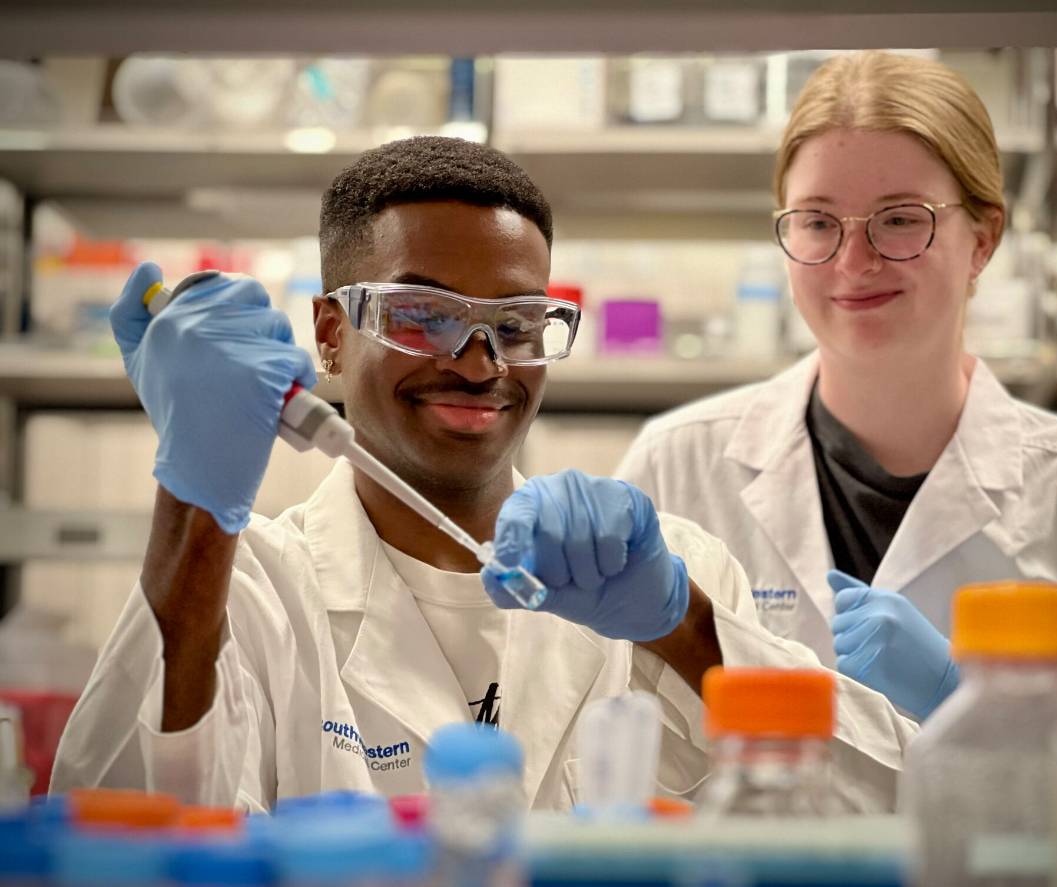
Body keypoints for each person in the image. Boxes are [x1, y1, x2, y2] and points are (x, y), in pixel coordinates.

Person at [50, 136, 916, 812]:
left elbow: (900, 809)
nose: (478, 362)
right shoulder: (252, 593)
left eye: (516, 323)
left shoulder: (670, 577)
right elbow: (121, 833)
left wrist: (682, 628)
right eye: (421, 314)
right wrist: (195, 503)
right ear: (330, 334)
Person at [616, 51, 1057, 722]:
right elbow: (606, 736)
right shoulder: (676, 467)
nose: (853, 261)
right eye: (817, 220)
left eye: (899, 218)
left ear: (984, 238)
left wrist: (972, 708)